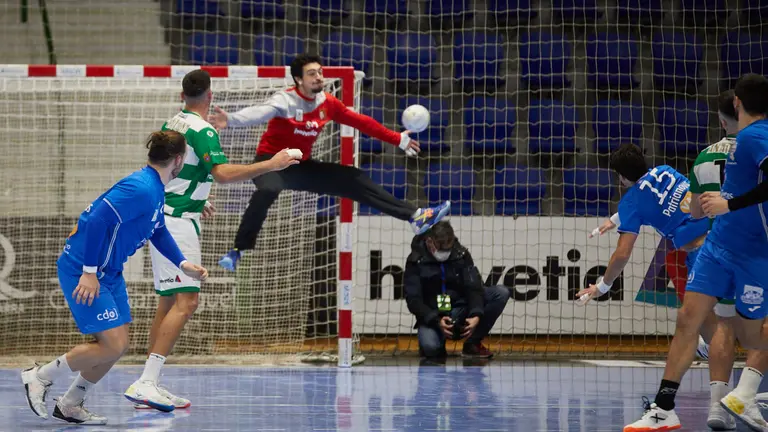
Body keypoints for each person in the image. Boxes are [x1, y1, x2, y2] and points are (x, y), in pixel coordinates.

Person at [125, 70, 301, 411]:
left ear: (183, 95)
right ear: (210, 96)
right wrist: (272, 163)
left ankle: (150, 383)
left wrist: (195, 197)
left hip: (167, 215)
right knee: (187, 303)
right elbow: (221, 175)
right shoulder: (204, 130)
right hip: (176, 225)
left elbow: (176, 169)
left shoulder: (173, 121)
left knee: (167, 303)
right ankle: (146, 382)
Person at [21, 131, 209, 425]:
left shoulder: (156, 189)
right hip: (83, 270)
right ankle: (39, 377)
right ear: (179, 160)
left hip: (109, 273)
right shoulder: (141, 188)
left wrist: (182, 263)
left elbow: (157, 230)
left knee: (118, 345)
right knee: (109, 344)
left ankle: (70, 404)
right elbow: (95, 220)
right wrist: (89, 273)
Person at [208, 54, 450, 272]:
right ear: (298, 80)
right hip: (271, 162)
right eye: (311, 73)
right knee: (269, 189)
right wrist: (230, 120)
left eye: (320, 72)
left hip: (300, 165)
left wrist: (396, 138)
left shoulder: (327, 103)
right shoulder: (285, 100)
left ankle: (414, 216)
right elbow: (259, 113)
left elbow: (361, 122)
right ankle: (237, 249)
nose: (318, 77)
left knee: (354, 178)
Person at [622, 73, 768, 432]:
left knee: (750, 332)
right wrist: (703, 207)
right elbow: (706, 203)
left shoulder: (752, 137)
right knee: (689, 318)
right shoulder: (736, 146)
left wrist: (727, 205)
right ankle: (664, 408)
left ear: (735, 102)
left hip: (753, 251)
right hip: (718, 246)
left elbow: (729, 199)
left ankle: (744, 394)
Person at [404, 221, 510, 359]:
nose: (446, 253)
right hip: (434, 315)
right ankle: (435, 345)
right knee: (431, 348)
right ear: (430, 242)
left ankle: (472, 344)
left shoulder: (461, 254)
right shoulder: (415, 261)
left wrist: (476, 314)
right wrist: (436, 320)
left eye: (449, 249)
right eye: (442, 250)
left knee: (500, 293)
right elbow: (413, 300)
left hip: (461, 309)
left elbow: (474, 287)